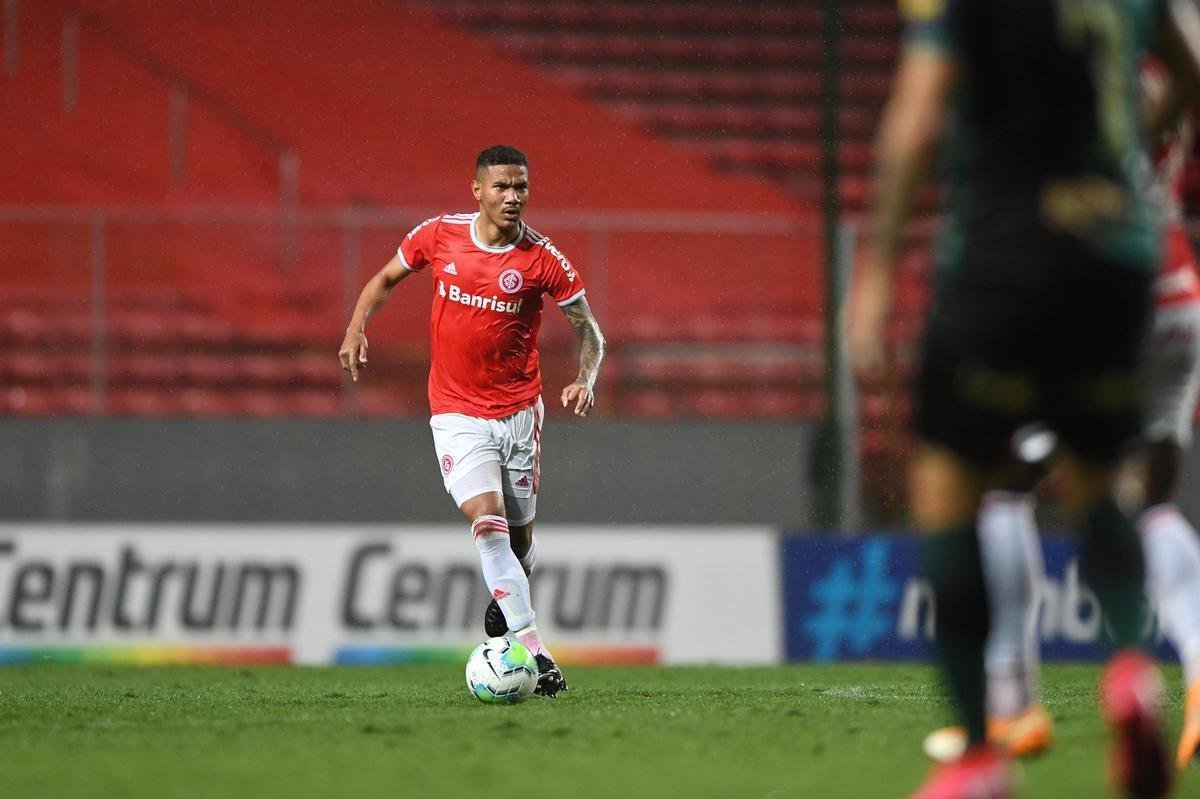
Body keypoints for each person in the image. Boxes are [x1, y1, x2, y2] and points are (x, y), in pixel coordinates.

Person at [847, 1, 1200, 796]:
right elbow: (1188, 73)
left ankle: (983, 744)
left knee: (957, 490)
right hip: (1120, 262)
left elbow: (916, 121)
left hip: (1003, 256)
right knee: (1106, 482)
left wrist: (874, 274)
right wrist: (1126, 160)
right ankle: (1131, 671)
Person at [924, 68, 1200, 770]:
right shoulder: (1152, 50)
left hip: (1096, 291)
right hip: (1174, 287)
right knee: (1149, 501)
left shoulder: (1069, 54)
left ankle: (1012, 703)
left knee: (1001, 484)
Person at [338, 145, 606, 697]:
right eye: (502, 186)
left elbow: (591, 333)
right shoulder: (440, 235)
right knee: (488, 524)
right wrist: (356, 326)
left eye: (521, 187)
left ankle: (510, 593)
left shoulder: (543, 259)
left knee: (521, 541)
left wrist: (586, 378)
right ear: (477, 190)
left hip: (519, 415)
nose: (512, 197)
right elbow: (385, 278)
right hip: (456, 412)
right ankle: (539, 655)